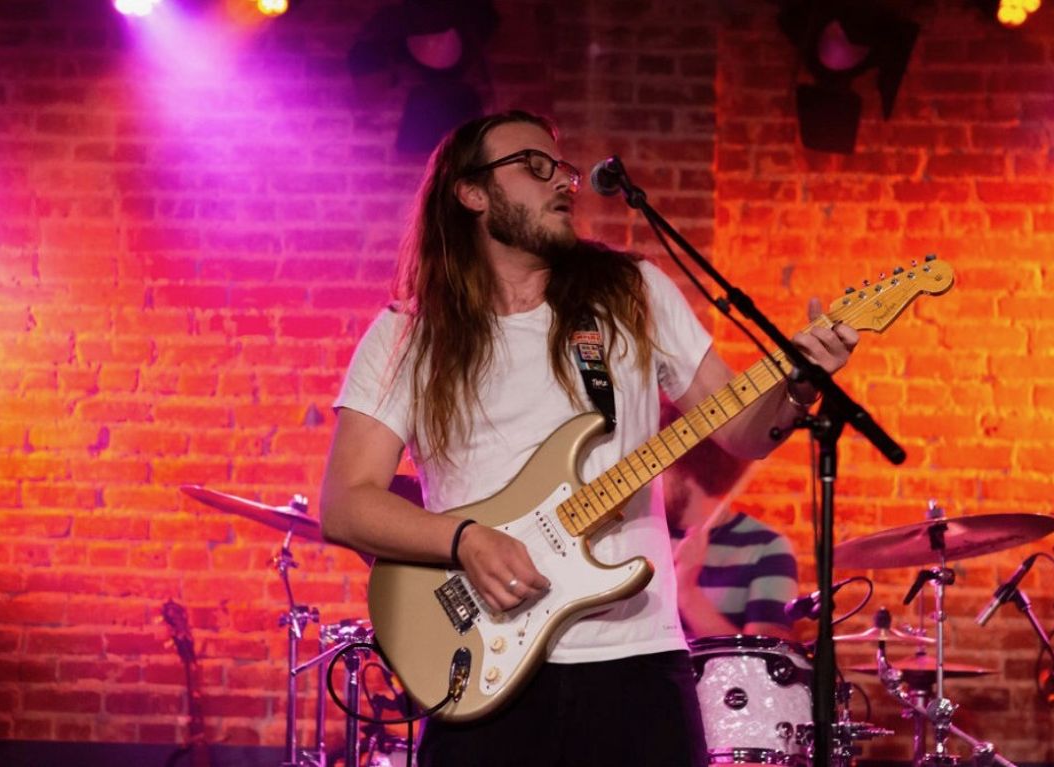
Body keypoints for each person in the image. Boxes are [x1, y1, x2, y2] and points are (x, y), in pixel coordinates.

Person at [319, 109, 858, 767]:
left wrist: (797, 388)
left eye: (563, 169)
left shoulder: (632, 294)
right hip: (482, 662)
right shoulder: (408, 335)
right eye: (534, 166)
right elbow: (346, 503)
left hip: (636, 662)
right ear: (471, 192)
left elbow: (742, 431)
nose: (561, 182)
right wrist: (465, 539)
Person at [662, 400, 800, 641]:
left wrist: (687, 593)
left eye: (657, 468)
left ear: (688, 471)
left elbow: (762, 659)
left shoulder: (767, 548)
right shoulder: (642, 538)